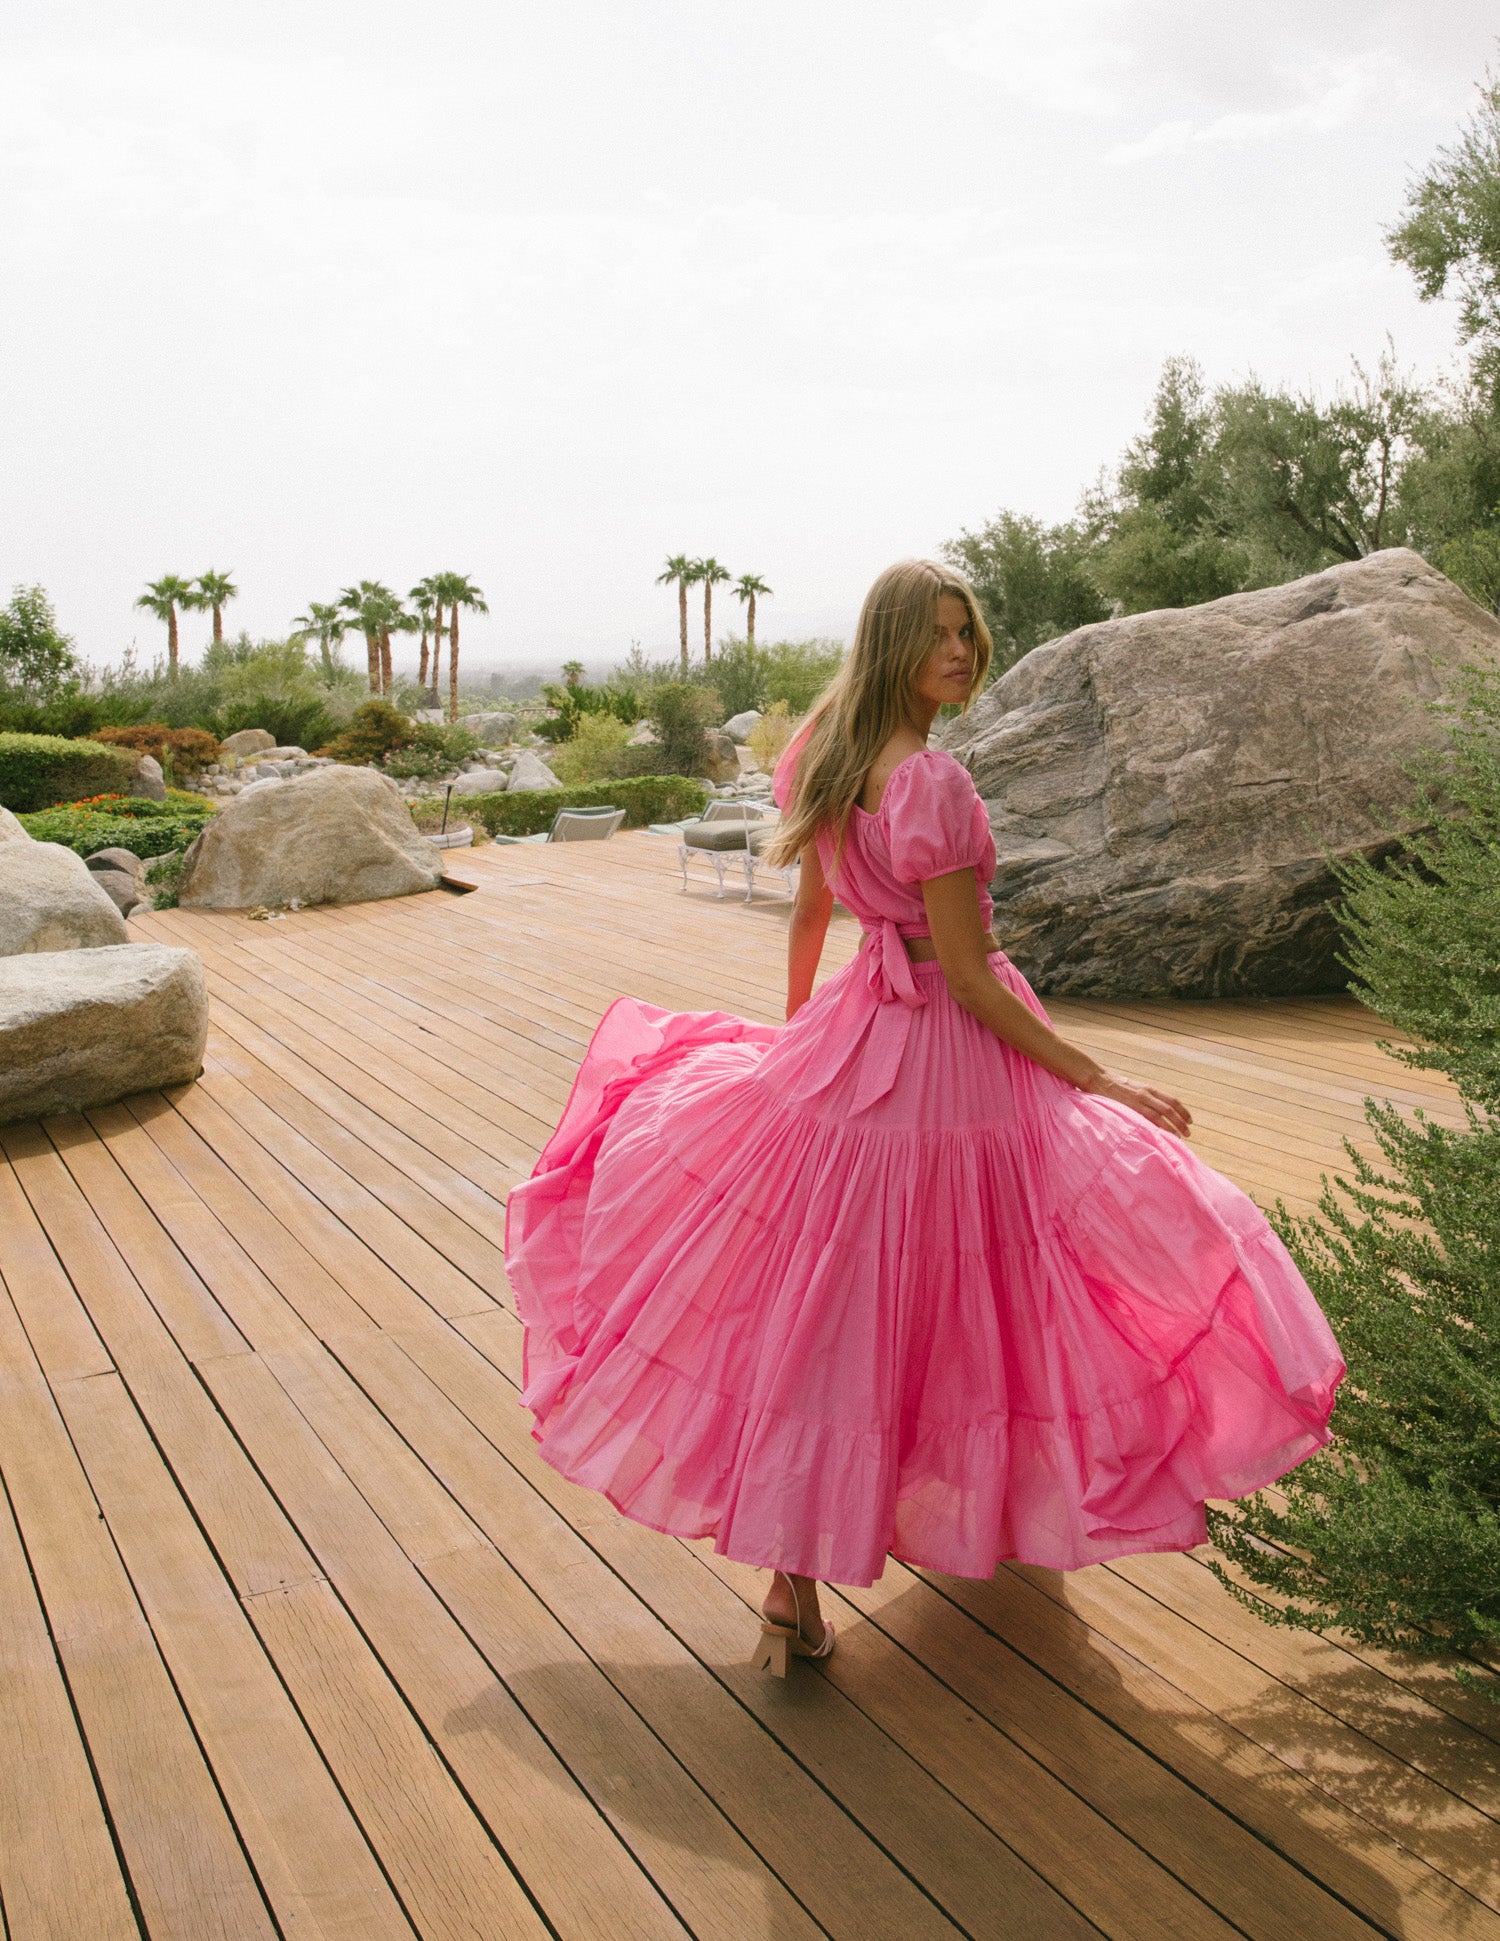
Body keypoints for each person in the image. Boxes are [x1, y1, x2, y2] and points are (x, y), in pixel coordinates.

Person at [505, 559, 1344, 1675]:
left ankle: (794, 1589)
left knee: (835, 1311)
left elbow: (814, 912)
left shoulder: (822, 751)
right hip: (950, 1057)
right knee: (1007, 1277)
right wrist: (1099, 1076)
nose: (960, 652)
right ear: (896, 643)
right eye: (939, 635)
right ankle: (992, 1511)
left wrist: (799, 1044)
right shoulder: (932, 786)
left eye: (968, 632)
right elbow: (973, 976)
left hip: (860, 1040)